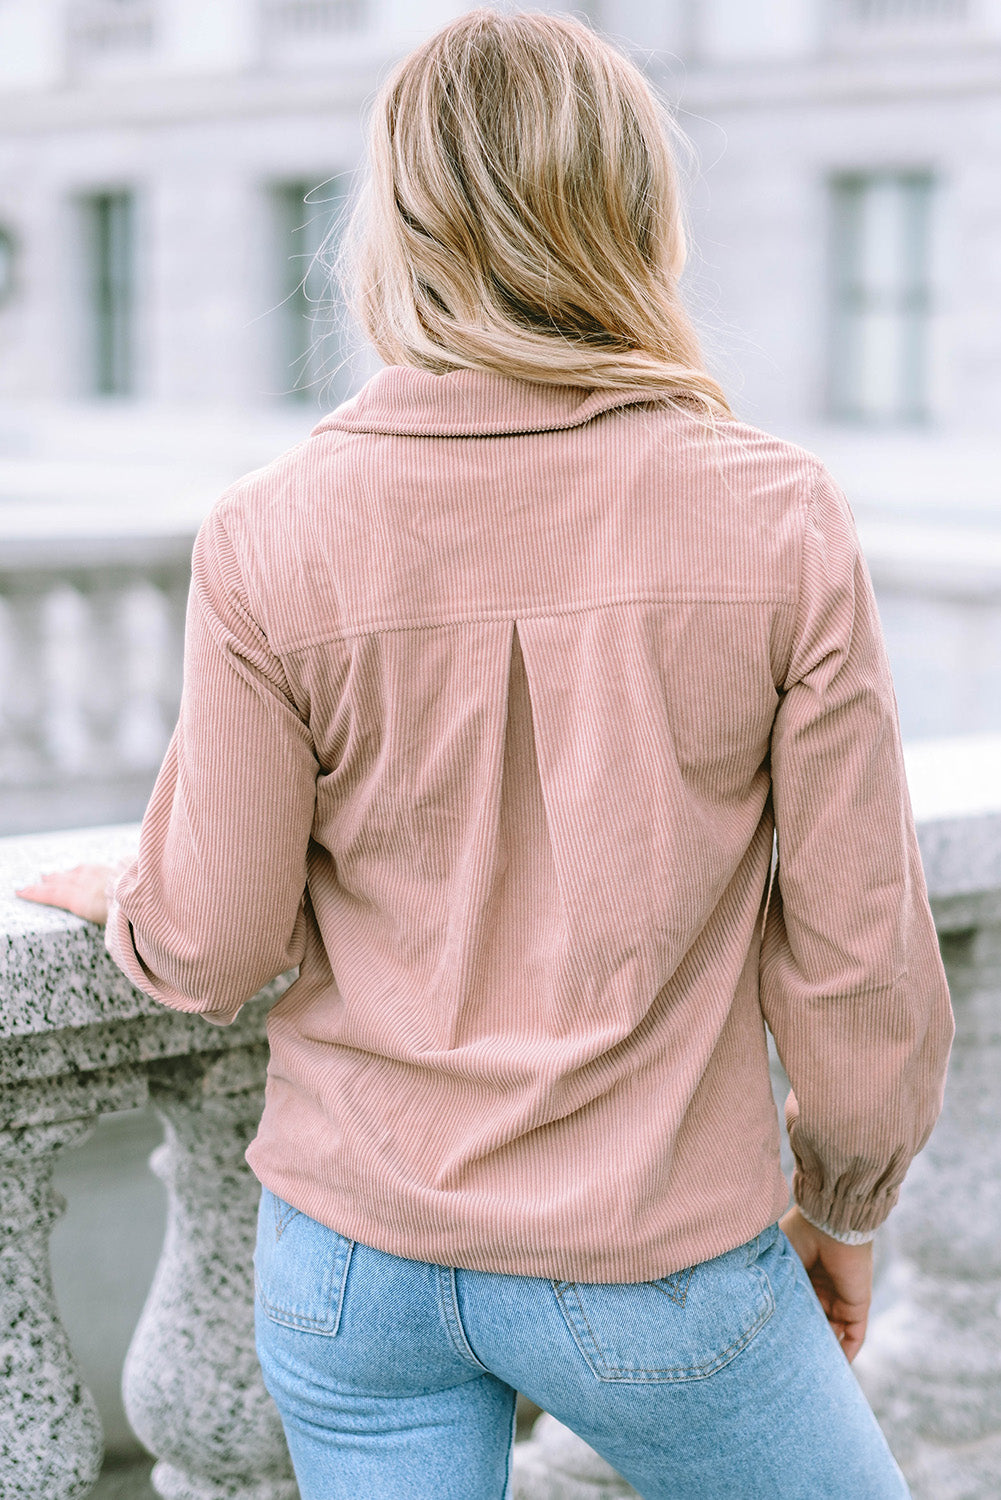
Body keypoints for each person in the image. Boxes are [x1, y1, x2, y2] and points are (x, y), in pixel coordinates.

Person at [18, 10, 955, 1499]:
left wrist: (110, 884)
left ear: (398, 232)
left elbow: (210, 942)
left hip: (352, 1263)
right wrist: (841, 1203)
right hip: (655, 1266)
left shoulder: (272, 532)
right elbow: (855, 961)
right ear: (635, 217)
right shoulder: (775, 518)